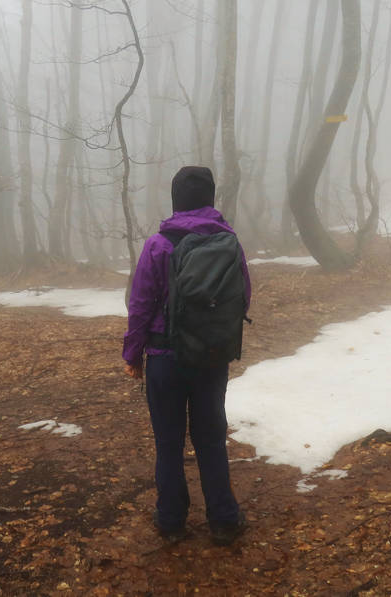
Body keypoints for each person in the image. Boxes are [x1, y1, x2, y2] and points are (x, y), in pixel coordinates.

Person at [123, 166, 251, 545]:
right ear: (210, 199)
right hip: (211, 358)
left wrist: (133, 353)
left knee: (168, 442)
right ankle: (224, 520)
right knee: (211, 439)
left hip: (165, 357)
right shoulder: (229, 243)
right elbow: (242, 295)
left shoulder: (159, 245)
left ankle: (172, 520)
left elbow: (141, 304)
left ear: (175, 200)